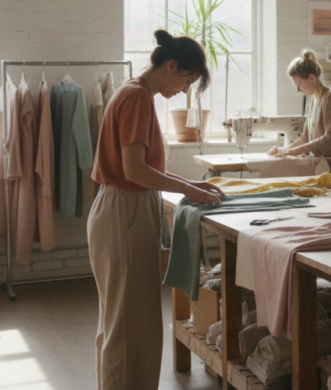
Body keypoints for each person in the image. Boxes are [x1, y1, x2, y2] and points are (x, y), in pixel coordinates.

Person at [88, 30, 224, 390]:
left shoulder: (133, 92)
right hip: (125, 209)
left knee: (121, 319)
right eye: (187, 80)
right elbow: (134, 171)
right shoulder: (137, 98)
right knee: (131, 324)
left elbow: (145, 168)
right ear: (171, 65)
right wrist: (189, 189)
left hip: (122, 206)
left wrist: (190, 186)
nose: (184, 90)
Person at [268, 49, 331, 175]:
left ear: (311, 77)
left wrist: (294, 151)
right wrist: (283, 149)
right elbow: (306, 137)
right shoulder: (313, 102)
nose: (298, 90)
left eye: (299, 84)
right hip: (326, 168)